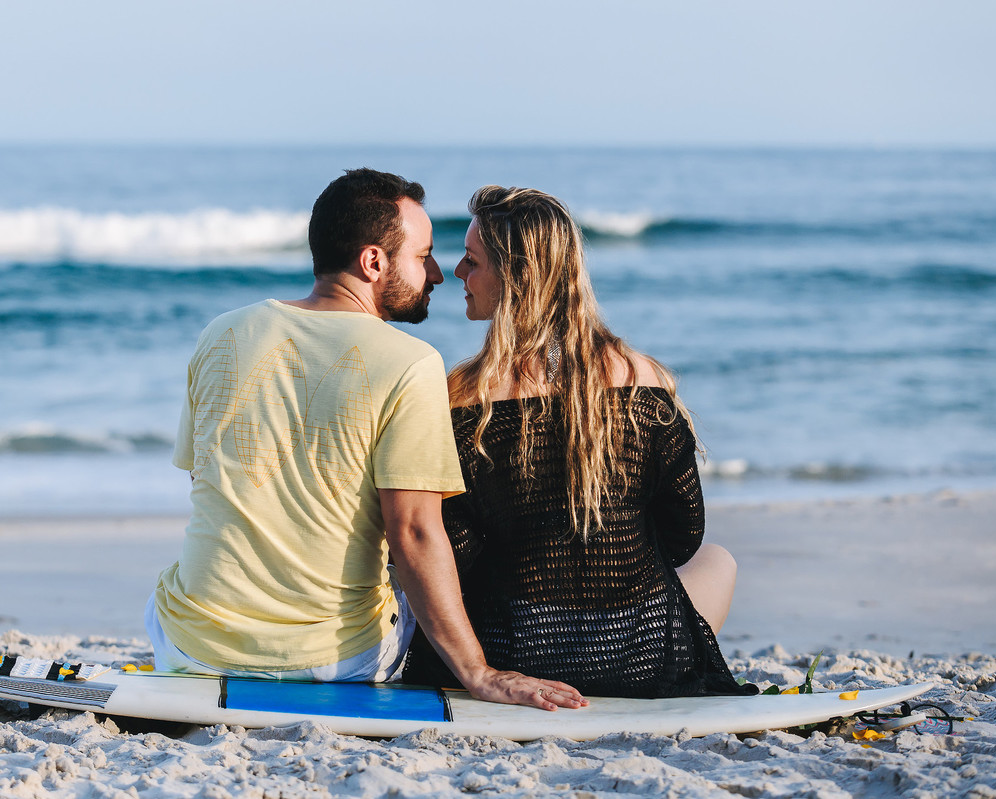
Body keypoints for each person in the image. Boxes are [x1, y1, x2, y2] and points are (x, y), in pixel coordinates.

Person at [148, 169, 584, 711]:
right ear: (374, 262)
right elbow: (414, 532)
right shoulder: (410, 363)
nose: (437, 273)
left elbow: (206, 477)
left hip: (190, 648)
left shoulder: (221, 332)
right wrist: (479, 673)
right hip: (335, 662)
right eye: (423, 256)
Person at [403, 186, 757, 699]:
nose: (457, 271)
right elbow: (684, 536)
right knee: (718, 560)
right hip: (638, 659)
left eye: (472, 261)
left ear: (517, 276)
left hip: (511, 653)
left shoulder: (460, 399)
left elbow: (452, 553)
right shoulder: (644, 380)